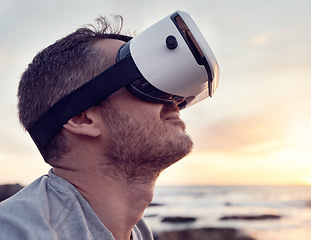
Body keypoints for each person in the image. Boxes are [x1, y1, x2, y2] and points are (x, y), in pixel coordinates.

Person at [0, 16, 195, 240]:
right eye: (144, 81)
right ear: (82, 118)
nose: (174, 99)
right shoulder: (18, 231)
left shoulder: (138, 231)